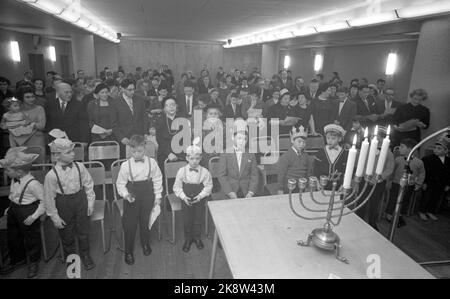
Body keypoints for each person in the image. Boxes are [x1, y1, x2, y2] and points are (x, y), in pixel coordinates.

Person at [44, 132, 95, 270]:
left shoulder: (80, 166)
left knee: (83, 231)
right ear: (57, 155)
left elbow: (89, 184)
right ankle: (71, 258)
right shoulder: (51, 175)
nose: (73, 154)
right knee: (67, 234)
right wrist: (54, 217)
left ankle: (85, 255)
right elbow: (49, 198)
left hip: (80, 199)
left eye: (72, 151)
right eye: (68, 152)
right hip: (63, 203)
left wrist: (90, 202)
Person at [115, 135, 163, 264]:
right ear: (130, 150)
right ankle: (128, 251)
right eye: (133, 151)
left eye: (140, 151)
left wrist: (158, 196)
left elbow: (158, 179)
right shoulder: (125, 165)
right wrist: (126, 195)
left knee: (145, 220)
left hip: (147, 193)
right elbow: (120, 184)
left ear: (145, 149)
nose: (136, 154)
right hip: (132, 194)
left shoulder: (152, 162)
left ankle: (145, 243)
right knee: (130, 224)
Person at [0, 148, 44, 278]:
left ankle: (34, 262)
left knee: (31, 239)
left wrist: (34, 216)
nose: (5, 172)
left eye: (7, 170)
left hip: (28, 211)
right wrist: (11, 206)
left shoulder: (33, 184)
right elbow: (14, 194)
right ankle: (18, 259)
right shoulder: (15, 179)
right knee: (13, 235)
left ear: (18, 171)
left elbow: (44, 201)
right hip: (14, 209)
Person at [173, 138, 213, 252]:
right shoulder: (181, 171)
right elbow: (176, 187)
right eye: (191, 158)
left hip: (199, 198)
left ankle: (197, 238)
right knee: (187, 220)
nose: (194, 161)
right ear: (187, 158)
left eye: (197, 158)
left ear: (200, 158)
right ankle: (188, 239)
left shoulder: (205, 172)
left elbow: (208, 186)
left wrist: (200, 196)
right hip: (186, 198)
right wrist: (183, 197)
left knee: (198, 219)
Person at [356, 126, 394, 231]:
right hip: (365, 180)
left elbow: (390, 167)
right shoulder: (367, 149)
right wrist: (365, 175)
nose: (375, 138)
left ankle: (372, 221)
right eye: (373, 136)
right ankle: (359, 219)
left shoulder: (388, 153)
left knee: (374, 202)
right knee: (361, 200)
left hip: (379, 182)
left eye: (378, 137)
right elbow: (361, 163)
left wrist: (380, 177)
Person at [385, 138, 425, 227]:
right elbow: (392, 170)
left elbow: (422, 173)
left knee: (405, 201)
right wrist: (389, 181)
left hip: (409, 185)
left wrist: (419, 183)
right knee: (393, 199)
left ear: (411, 149)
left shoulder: (419, 162)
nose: (399, 148)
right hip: (396, 184)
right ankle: (389, 215)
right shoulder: (398, 159)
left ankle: (399, 215)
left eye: (402, 147)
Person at [111, 79, 149, 157]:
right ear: (122, 89)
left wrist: (145, 132)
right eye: (129, 90)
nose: (132, 92)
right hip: (125, 139)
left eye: (133, 89)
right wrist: (121, 138)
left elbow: (145, 117)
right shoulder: (115, 103)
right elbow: (114, 124)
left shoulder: (139, 99)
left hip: (139, 137)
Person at [218, 130, 259, 199]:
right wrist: (230, 192)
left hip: (246, 191)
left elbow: (254, 175)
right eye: (239, 138)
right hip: (230, 190)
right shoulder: (225, 153)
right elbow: (222, 175)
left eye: (245, 139)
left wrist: (251, 192)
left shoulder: (251, 154)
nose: (242, 141)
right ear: (233, 138)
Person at [419, 136, 450, 221]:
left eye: (439, 148)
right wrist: (424, 182)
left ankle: (430, 211)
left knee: (436, 198)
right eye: (435, 148)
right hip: (429, 183)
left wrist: (448, 184)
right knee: (426, 197)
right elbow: (424, 172)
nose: (435, 150)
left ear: (446, 151)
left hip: (441, 184)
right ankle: (422, 211)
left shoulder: (448, 161)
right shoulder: (428, 159)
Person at [277, 126, 315, 194]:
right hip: (288, 186)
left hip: (302, 185)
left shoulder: (306, 156)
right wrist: (280, 188)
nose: (302, 144)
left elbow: (308, 172)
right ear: (292, 141)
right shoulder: (286, 156)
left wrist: (307, 186)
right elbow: (281, 174)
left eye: (304, 142)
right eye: (299, 141)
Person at [17, 87, 47, 163]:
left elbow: (41, 126)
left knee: (39, 167)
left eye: (33, 97)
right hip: (21, 141)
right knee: (23, 167)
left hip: (37, 141)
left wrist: (29, 122)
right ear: (21, 98)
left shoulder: (40, 108)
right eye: (27, 97)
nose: (31, 99)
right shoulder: (17, 110)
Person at [313, 124, 348, 190]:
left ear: (340, 139)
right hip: (322, 184)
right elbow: (316, 169)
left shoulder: (344, 153)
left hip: (338, 185)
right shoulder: (321, 152)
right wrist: (317, 182)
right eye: (328, 138)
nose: (330, 140)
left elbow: (346, 171)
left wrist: (343, 184)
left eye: (333, 138)